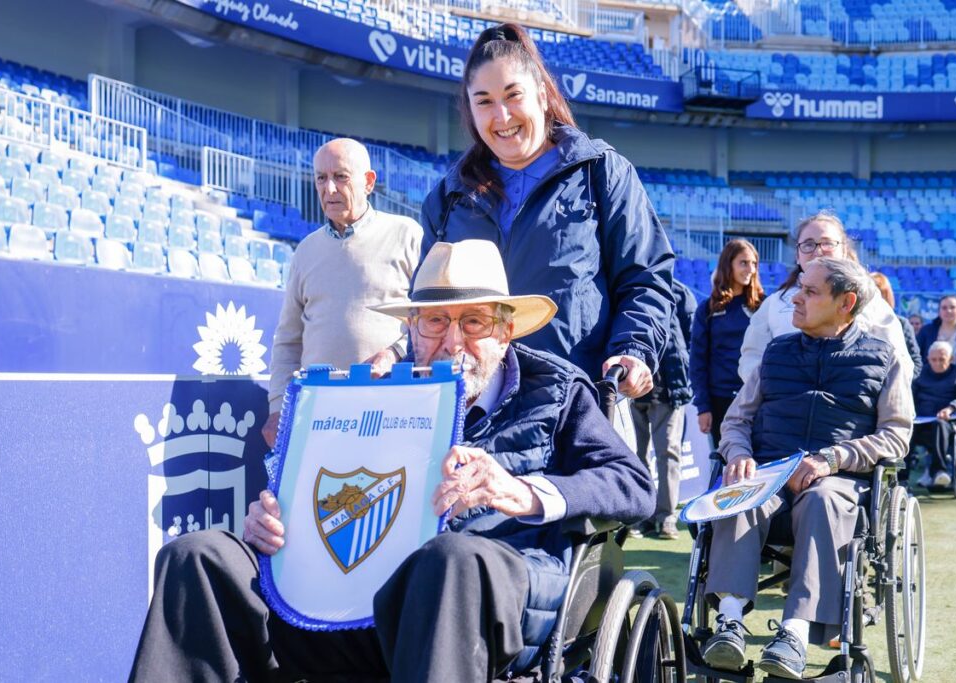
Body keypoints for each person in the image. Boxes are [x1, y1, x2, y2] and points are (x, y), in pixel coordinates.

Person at [129, 240, 655, 683]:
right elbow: (323, 492)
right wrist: (274, 521)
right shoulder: (373, 386)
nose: (452, 343)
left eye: (472, 322)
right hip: (360, 599)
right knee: (198, 556)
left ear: (505, 329)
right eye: (433, 323)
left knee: (450, 559)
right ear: (411, 328)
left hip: (497, 588)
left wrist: (520, 491)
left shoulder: (558, 391)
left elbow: (634, 485)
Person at [416, 22, 674, 398]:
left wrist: (633, 350)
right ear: (470, 109)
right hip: (472, 411)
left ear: (541, 94)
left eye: (512, 95)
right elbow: (427, 311)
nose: (501, 117)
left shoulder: (601, 172)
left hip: (576, 405)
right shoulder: (446, 198)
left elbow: (645, 278)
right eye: (484, 101)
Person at [701, 258, 912, 679]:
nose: (795, 297)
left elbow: (896, 436)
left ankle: (793, 635)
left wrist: (833, 458)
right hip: (771, 472)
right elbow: (737, 421)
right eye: (800, 288)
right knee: (741, 492)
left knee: (823, 499)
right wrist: (739, 453)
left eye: (811, 292)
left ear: (845, 303)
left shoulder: (883, 358)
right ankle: (729, 623)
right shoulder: (776, 353)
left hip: (839, 482)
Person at [263, 138, 422, 447]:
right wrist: (278, 406)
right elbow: (288, 340)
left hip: (390, 409)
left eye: (341, 177)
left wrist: (396, 353)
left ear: (369, 182)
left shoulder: (407, 235)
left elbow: (431, 318)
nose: (329, 189)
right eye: (321, 178)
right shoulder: (306, 251)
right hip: (318, 414)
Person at [739, 210, 911, 382]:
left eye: (827, 243)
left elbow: (898, 363)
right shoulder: (775, 304)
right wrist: (776, 390)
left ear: (844, 251)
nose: (818, 251)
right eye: (808, 244)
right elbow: (751, 360)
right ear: (797, 256)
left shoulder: (871, 303)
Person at [630, 279, 696, 540]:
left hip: (668, 387)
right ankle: (641, 515)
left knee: (668, 453)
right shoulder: (629, 286)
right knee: (635, 455)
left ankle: (666, 517)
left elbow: (692, 335)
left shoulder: (679, 291)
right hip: (632, 388)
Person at [690, 239, 765, 448]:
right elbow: (697, 361)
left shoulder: (764, 306)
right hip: (720, 400)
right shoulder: (708, 309)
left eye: (754, 263)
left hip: (756, 397)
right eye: (743, 263)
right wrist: (703, 407)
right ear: (728, 265)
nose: (750, 269)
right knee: (726, 462)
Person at [909, 341, 956, 488]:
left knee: (939, 425)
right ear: (928, 359)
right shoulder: (920, 373)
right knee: (904, 428)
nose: (938, 363)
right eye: (934, 360)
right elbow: (909, 396)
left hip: (949, 424)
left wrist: (951, 408)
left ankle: (940, 471)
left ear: (951, 358)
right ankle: (901, 477)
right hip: (920, 422)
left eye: (942, 359)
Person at [915, 294, 956, 386]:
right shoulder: (926, 331)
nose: (948, 311)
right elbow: (916, 355)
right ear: (939, 311)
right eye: (944, 308)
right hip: (929, 382)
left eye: (952, 307)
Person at [871, 271, 923, 380]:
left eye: (879, 295)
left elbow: (916, 363)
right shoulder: (856, 324)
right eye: (870, 294)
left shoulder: (901, 323)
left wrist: (898, 382)